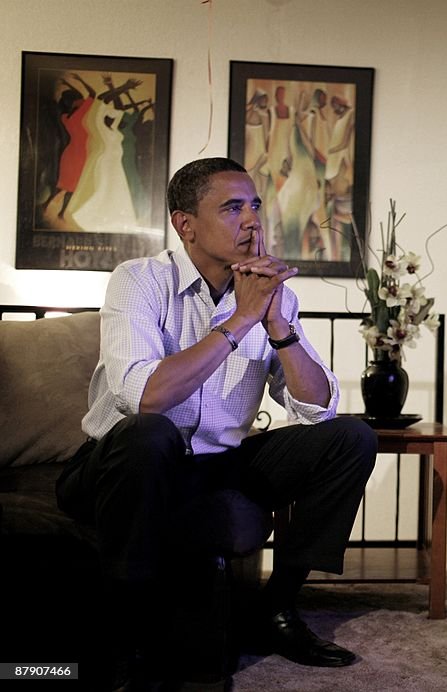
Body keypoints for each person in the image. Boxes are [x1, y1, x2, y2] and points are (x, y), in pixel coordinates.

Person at [55, 157, 377, 683]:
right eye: (232, 208)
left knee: (351, 438)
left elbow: (317, 408)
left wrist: (279, 327)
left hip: (217, 464)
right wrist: (239, 321)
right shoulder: (137, 282)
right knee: (150, 434)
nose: (252, 220)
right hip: (123, 463)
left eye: (254, 205)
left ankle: (277, 607)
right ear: (186, 224)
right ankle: (128, 639)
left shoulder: (273, 296)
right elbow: (145, 398)